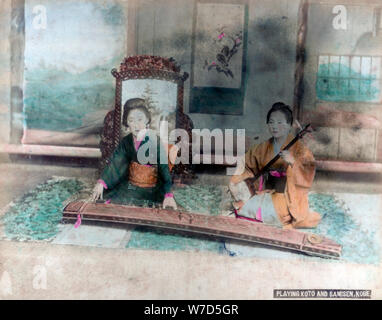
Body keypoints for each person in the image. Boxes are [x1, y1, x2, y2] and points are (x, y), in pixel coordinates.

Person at [229, 102, 321, 229]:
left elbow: (308, 171)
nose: (274, 126)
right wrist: (240, 182)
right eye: (271, 122)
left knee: (269, 212)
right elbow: (246, 164)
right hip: (265, 191)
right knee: (244, 207)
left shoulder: (300, 149)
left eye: (280, 123)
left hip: (287, 195)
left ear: (289, 125)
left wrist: (293, 162)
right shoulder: (262, 147)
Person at [91, 98, 177, 209]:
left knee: (156, 205)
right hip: (132, 186)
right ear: (127, 123)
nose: (136, 125)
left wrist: (168, 194)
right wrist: (101, 183)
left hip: (152, 188)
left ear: (147, 120)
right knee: (111, 198)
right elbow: (116, 164)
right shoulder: (126, 142)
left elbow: (164, 170)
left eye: (140, 119)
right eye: (131, 120)